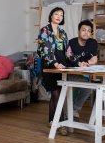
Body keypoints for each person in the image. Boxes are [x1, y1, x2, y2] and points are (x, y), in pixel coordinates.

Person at [37, 7, 68, 135]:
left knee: (57, 94)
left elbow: (67, 51)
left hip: (62, 66)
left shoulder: (63, 32)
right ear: (51, 16)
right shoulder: (45, 30)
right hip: (50, 65)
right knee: (57, 94)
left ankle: (51, 120)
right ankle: (61, 123)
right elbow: (44, 49)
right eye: (56, 14)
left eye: (61, 15)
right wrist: (55, 63)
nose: (59, 16)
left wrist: (78, 62)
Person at [66, 19, 98, 120]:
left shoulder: (93, 42)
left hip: (83, 74)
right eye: (83, 30)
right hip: (69, 74)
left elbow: (94, 58)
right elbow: (69, 57)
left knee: (90, 87)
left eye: (89, 31)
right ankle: (73, 110)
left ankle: (73, 109)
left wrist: (91, 62)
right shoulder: (71, 43)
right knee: (88, 87)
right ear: (78, 31)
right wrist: (80, 64)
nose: (86, 32)